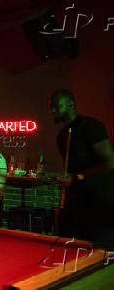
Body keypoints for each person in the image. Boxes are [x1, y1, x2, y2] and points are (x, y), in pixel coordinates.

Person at [50, 89, 114, 245]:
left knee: (99, 255)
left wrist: (78, 177)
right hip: (77, 204)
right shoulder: (62, 135)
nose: (53, 110)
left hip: (99, 205)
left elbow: (109, 162)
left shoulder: (90, 126)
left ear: (70, 104)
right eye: (51, 107)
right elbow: (71, 170)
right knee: (72, 249)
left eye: (57, 106)